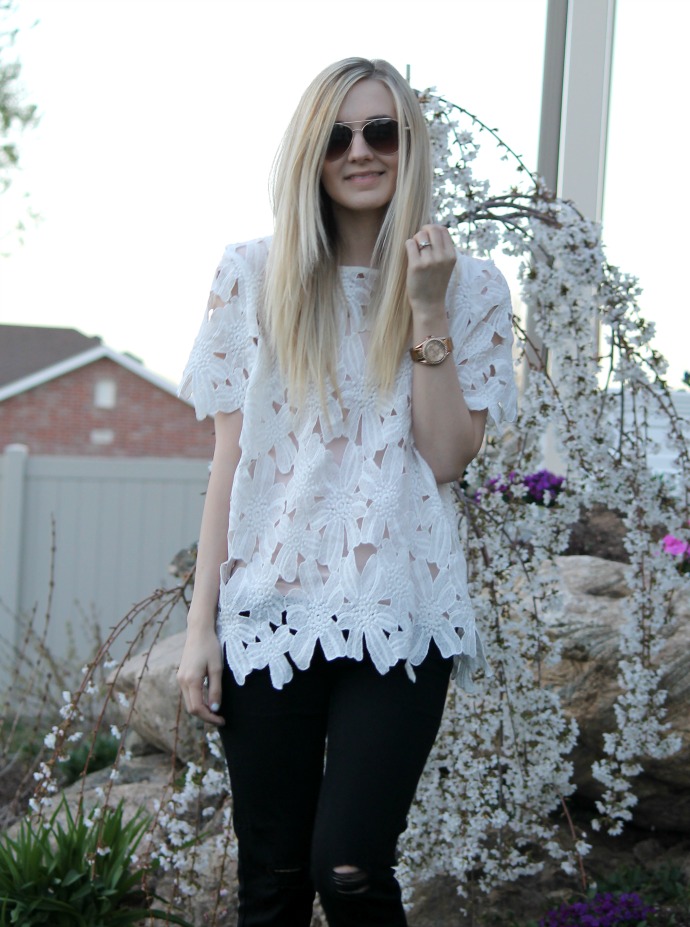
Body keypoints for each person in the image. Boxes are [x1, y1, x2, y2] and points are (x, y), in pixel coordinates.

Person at [177, 56, 517, 927]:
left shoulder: (473, 286)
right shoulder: (253, 275)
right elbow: (229, 463)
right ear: (310, 154)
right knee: (273, 882)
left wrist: (427, 308)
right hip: (269, 609)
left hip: (402, 604)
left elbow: (445, 456)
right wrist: (201, 626)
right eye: (336, 137)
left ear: (411, 144)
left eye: (380, 131)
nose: (359, 151)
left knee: (352, 868)